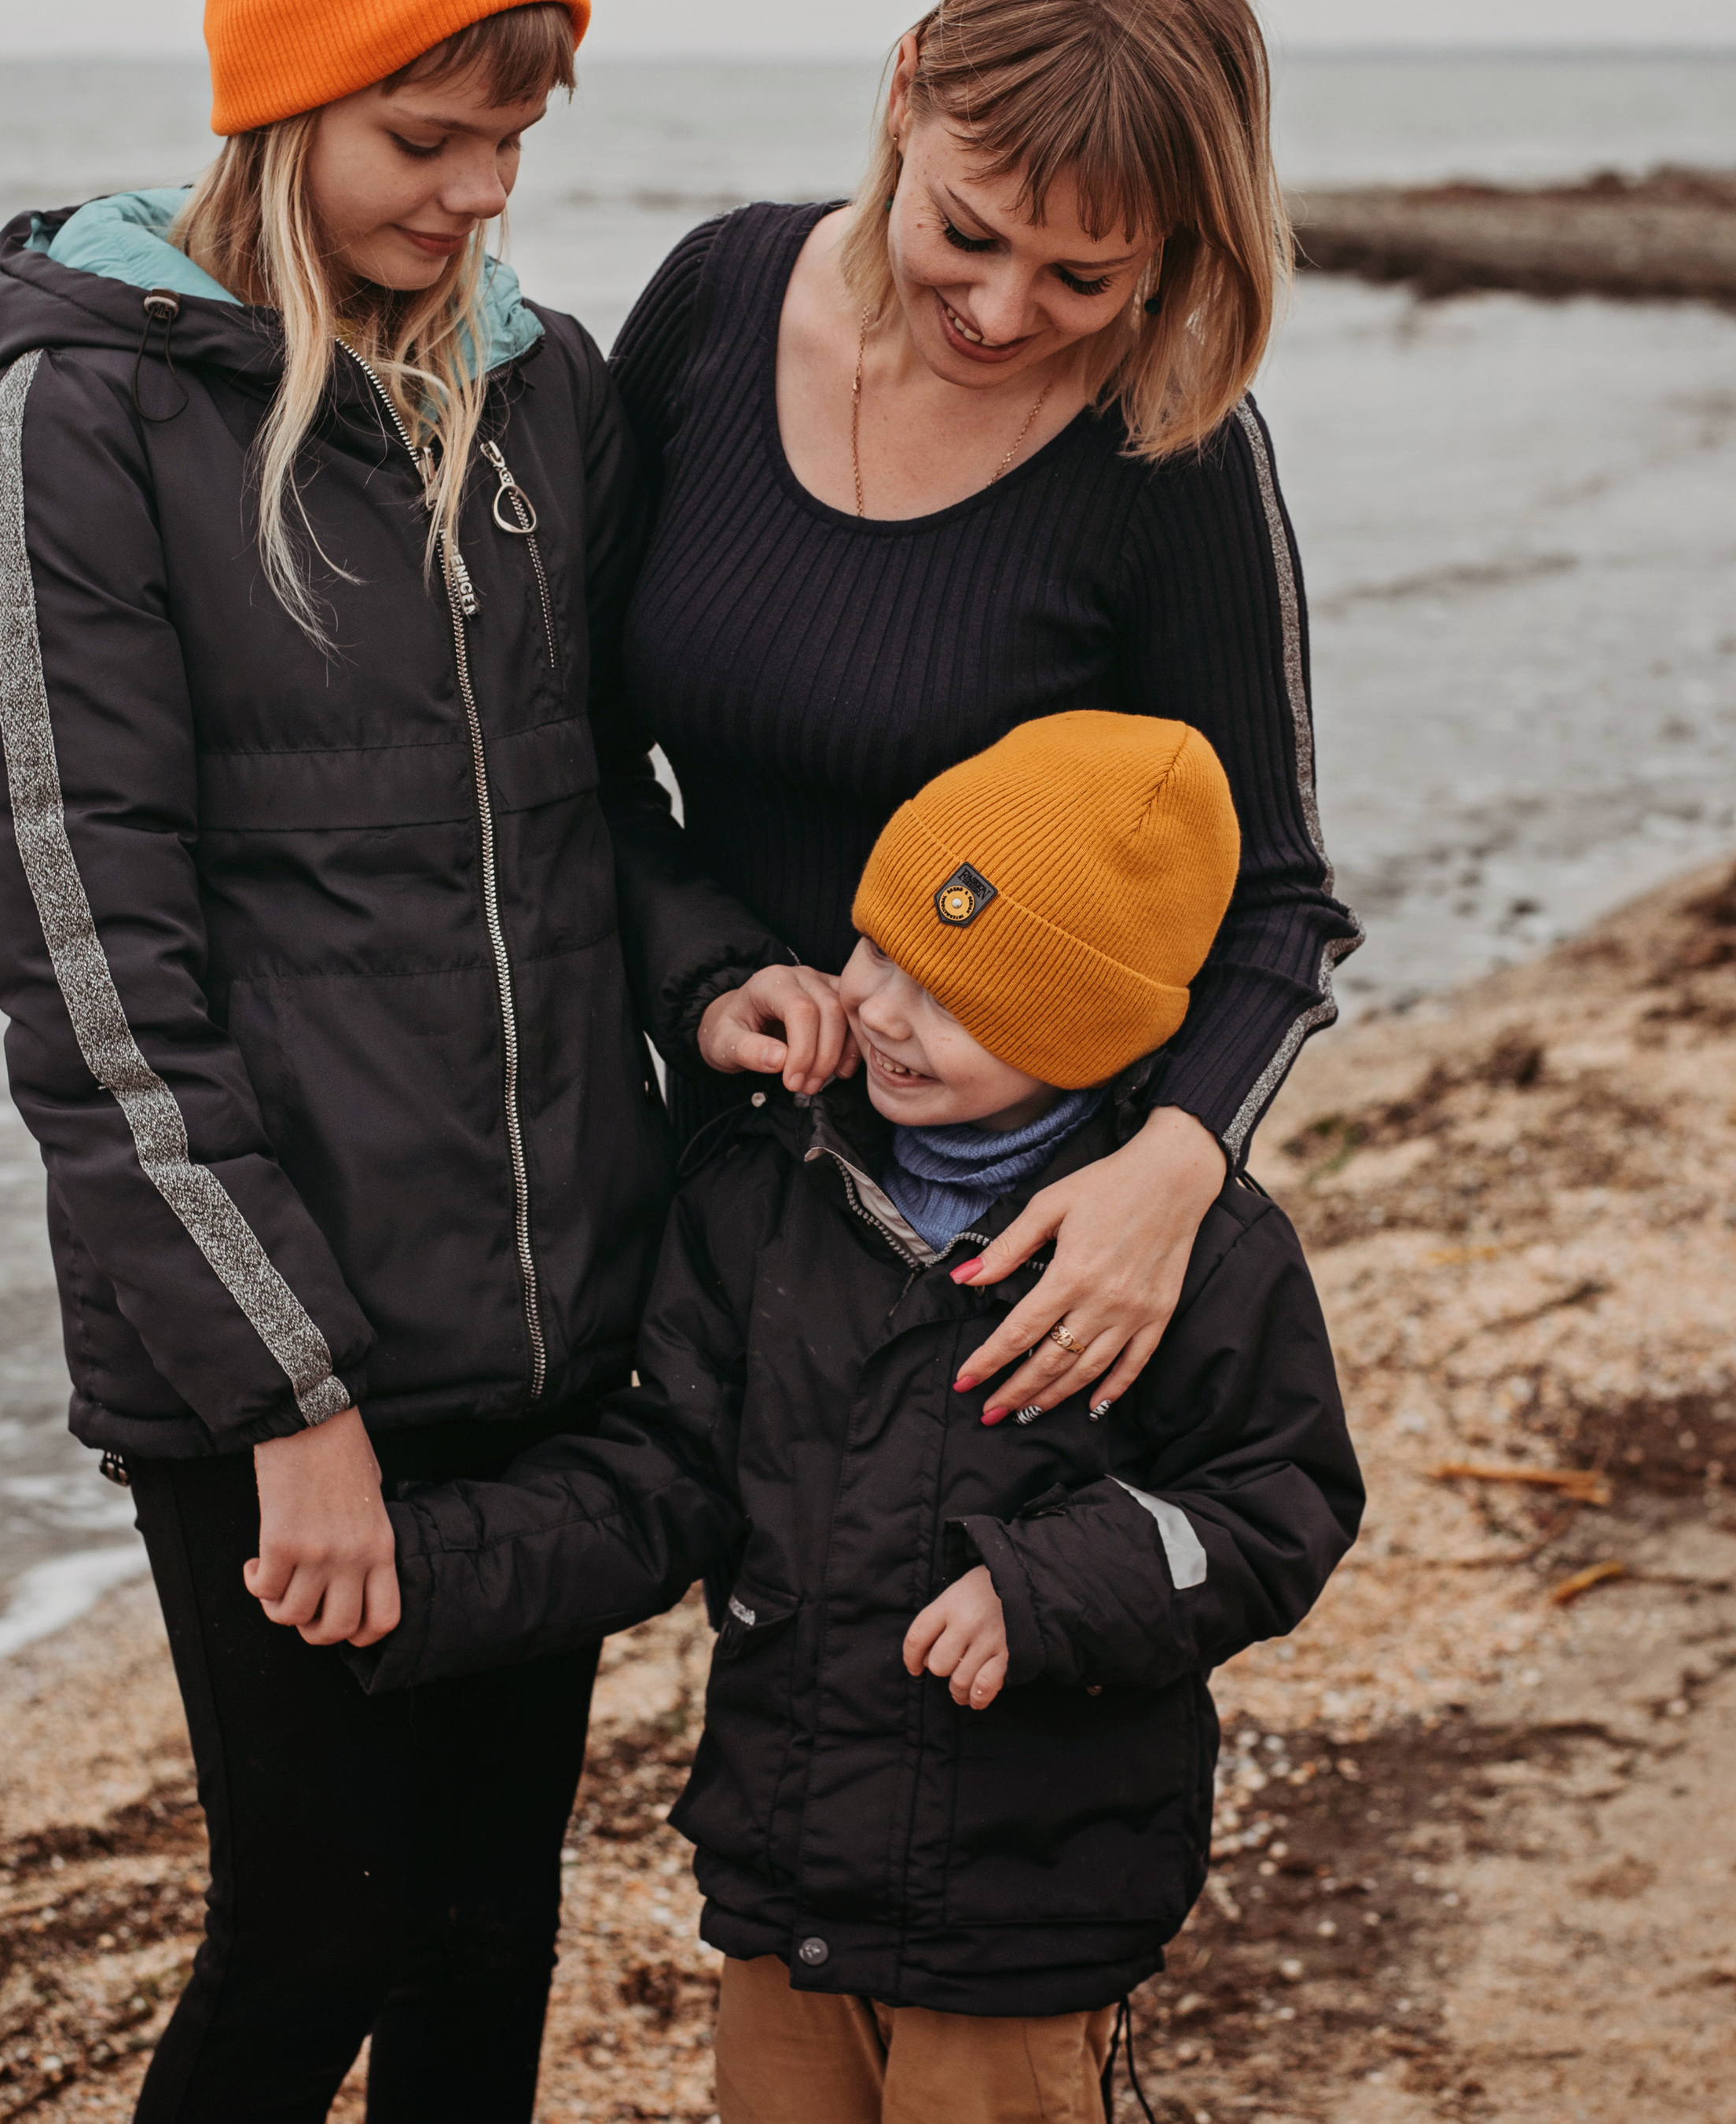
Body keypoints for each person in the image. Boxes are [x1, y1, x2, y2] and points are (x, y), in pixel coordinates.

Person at [0, 0, 780, 2124]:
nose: (478, 195)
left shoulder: (544, 401)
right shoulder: (85, 411)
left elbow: (591, 799)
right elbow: (93, 959)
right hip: (271, 1359)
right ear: (283, 94)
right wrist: (291, 1399)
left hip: (546, 1323)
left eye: (512, 141)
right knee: (307, 1942)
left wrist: (711, 974)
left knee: (486, 1949)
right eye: (428, 136)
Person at [354, 710, 1365, 2124]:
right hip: (790, 1872)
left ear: (1082, 1026)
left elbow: (1279, 1507)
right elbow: (673, 1470)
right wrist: (433, 1566)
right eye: (876, 949)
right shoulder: (767, 1190)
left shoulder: (1189, 1248)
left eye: (951, 994)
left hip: (1026, 1898)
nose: (880, 1007)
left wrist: (1051, 1585)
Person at [607, 0, 1363, 1433]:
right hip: (728, 1184)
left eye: (1083, 278)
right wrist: (703, 973)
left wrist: (1168, 1176)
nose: (1002, 312)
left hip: (1013, 1248)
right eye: (964, 230)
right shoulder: (709, 303)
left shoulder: (1174, 458)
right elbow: (568, 750)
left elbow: (1276, 904)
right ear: (903, 93)